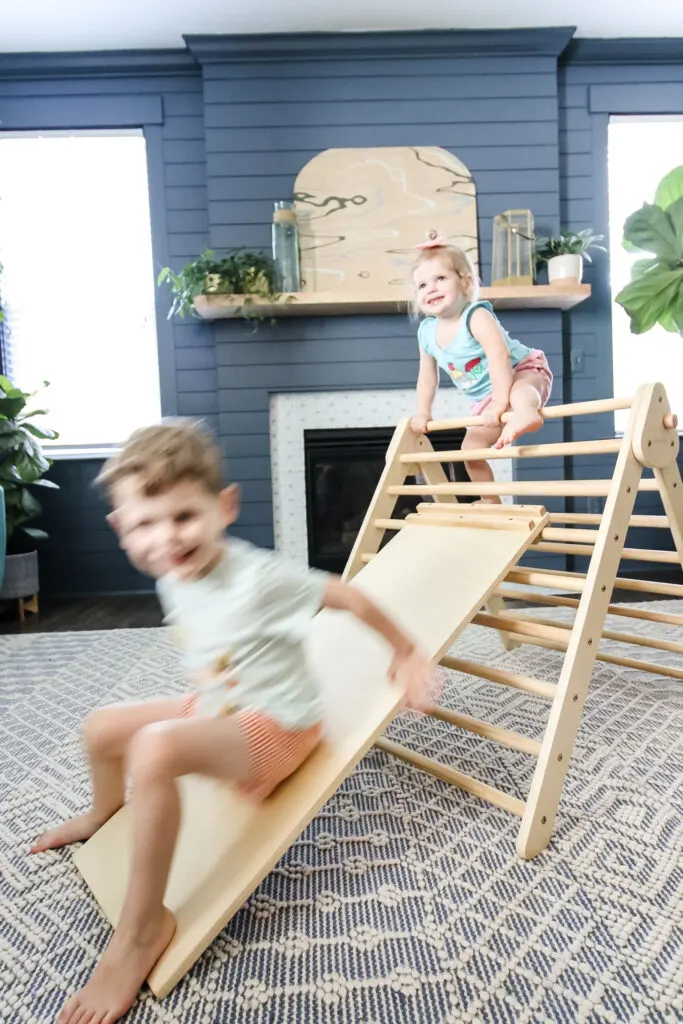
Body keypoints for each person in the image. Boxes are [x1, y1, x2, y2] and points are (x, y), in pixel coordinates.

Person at [30, 419, 435, 1024]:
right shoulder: (174, 569)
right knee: (104, 727)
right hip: (223, 708)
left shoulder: (257, 577)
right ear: (121, 531)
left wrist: (405, 652)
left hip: (277, 729)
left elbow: (346, 596)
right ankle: (103, 812)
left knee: (154, 750)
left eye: (184, 517)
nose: (167, 538)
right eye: (145, 524)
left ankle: (143, 929)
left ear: (224, 508)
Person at [409, 233, 553, 504]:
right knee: (470, 451)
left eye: (441, 279)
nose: (431, 288)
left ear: (465, 282)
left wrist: (500, 404)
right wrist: (423, 412)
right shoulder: (426, 332)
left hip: (520, 370)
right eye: (422, 284)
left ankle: (527, 413)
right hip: (487, 400)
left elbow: (499, 357)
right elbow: (427, 377)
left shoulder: (476, 316)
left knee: (519, 391)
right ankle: (491, 501)